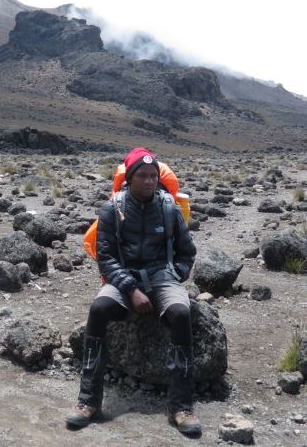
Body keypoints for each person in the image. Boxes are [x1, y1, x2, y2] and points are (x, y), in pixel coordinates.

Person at [65, 147, 201, 434]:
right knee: (99, 309)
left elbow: (187, 251)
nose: (149, 181)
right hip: (124, 277)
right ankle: (88, 401)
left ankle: (181, 406)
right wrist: (130, 289)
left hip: (162, 276)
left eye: (153, 176)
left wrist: (176, 274)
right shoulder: (112, 208)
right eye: (142, 176)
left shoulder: (168, 207)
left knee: (179, 312)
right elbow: (106, 258)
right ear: (130, 178)